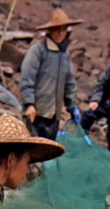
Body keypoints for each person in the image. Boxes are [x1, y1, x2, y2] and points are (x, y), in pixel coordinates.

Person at [20, 8, 83, 139]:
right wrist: (29, 104)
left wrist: (73, 106)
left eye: (63, 29)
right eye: (57, 29)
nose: (60, 33)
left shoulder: (65, 55)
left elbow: (70, 83)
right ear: (50, 31)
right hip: (36, 114)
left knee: (49, 152)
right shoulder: (37, 51)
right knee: (32, 153)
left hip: (54, 114)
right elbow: (27, 79)